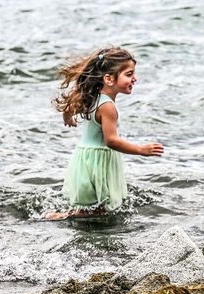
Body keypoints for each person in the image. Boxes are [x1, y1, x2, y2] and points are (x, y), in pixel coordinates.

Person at [45, 47, 164, 220]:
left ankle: (69, 216)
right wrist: (141, 150)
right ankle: (63, 217)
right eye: (129, 74)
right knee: (98, 209)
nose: (135, 79)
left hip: (85, 157)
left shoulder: (92, 97)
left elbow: (69, 107)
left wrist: (68, 118)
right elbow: (112, 141)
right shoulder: (108, 107)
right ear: (108, 79)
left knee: (95, 206)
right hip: (98, 160)